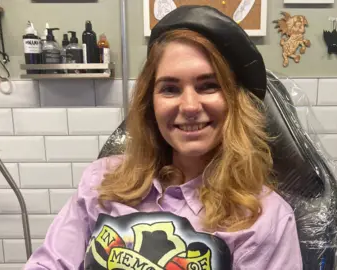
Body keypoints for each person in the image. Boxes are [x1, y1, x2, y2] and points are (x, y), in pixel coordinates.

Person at [24, 5, 303, 270]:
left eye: (209, 86)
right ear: (150, 103)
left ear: (234, 101)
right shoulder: (102, 181)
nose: (190, 106)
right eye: (170, 89)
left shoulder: (266, 218)